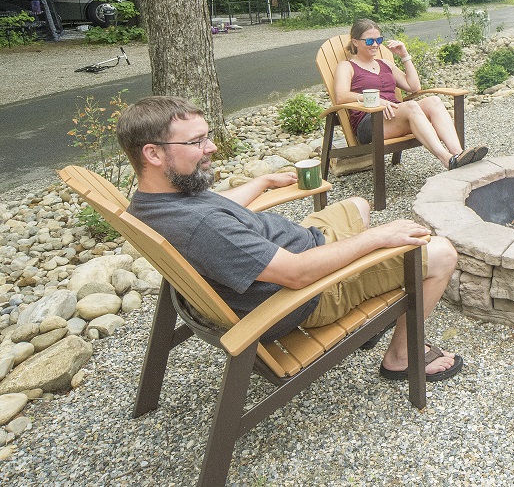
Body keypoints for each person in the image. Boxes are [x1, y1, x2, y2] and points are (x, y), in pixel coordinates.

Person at [116, 96, 464, 382]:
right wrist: (377, 238)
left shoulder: (158, 199)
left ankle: (375, 308)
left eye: (206, 136)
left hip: (303, 247)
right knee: (441, 252)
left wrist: (263, 182)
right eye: (196, 142)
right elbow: (296, 273)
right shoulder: (201, 226)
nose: (212, 147)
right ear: (153, 153)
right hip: (309, 293)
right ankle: (401, 357)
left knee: (358, 204)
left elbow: (220, 206)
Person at [334, 18, 486, 171]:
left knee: (434, 101)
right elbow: (341, 96)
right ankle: (447, 160)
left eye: (378, 40)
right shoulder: (347, 66)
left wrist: (404, 55)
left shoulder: (385, 64)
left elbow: (413, 87)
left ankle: (458, 154)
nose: (375, 45)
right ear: (355, 42)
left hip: (396, 115)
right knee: (412, 106)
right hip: (370, 122)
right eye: (369, 41)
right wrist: (374, 100)